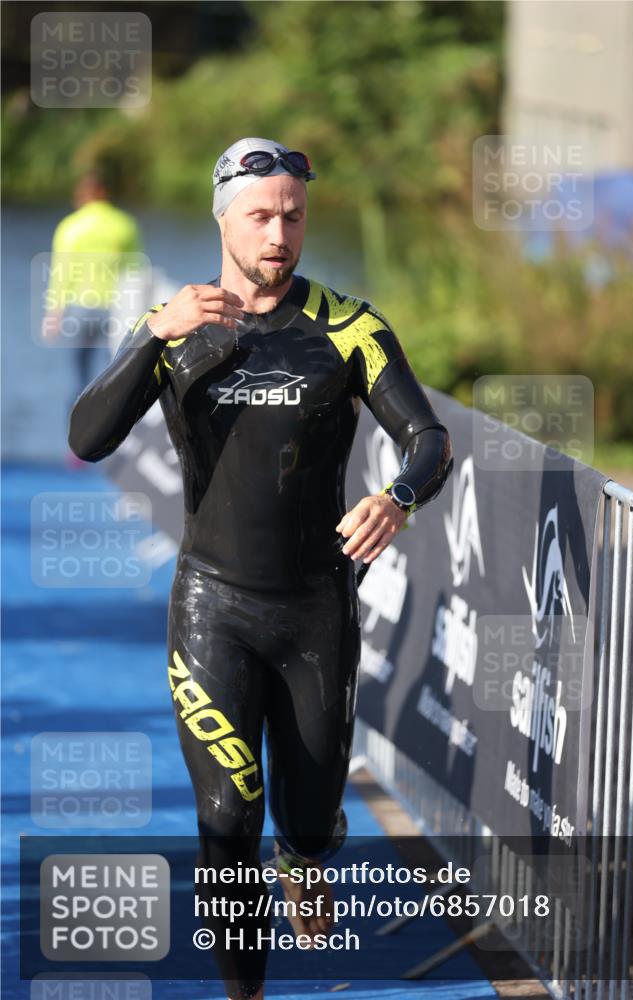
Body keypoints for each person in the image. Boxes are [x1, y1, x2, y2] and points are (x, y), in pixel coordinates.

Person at [68, 137, 453, 1000]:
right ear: (222, 218)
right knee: (223, 819)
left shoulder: (349, 326)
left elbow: (428, 440)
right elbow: (87, 438)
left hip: (317, 609)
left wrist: (396, 498)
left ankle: (305, 854)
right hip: (213, 608)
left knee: (307, 816)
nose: (278, 235)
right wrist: (149, 335)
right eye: (260, 216)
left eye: (293, 215)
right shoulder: (180, 328)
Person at [42, 168, 144, 428]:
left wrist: (53, 313)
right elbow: (137, 271)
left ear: (82, 196)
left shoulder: (70, 226)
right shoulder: (124, 224)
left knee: (79, 377)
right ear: (104, 194)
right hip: (118, 310)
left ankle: (77, 440)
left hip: (81, 309)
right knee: (118, 376)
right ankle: (116, 434)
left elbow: (61, 273)